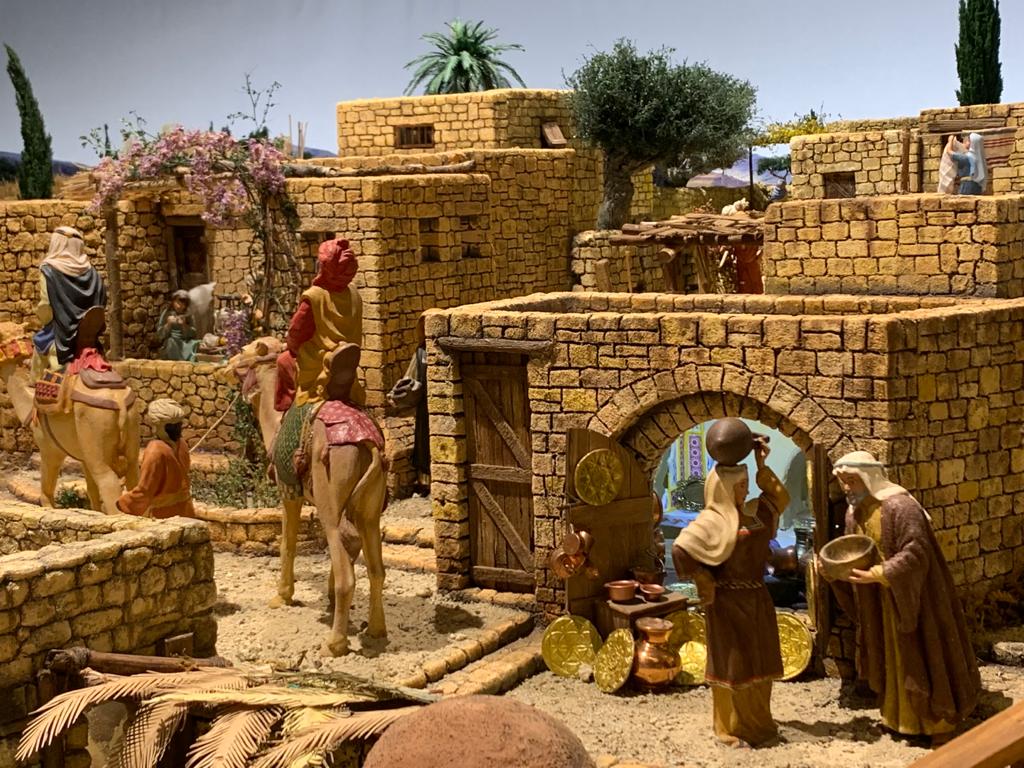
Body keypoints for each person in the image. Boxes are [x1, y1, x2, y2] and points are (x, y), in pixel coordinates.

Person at [820, 451, 980, 747]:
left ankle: (938, 721)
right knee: (891, 657)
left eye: (852, 480)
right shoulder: (854, 512)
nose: (847, 488)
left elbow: (917, 550)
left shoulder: (900, 506)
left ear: (869, 478)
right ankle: (899, 718)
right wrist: (834, 571)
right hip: (880, 600)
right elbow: (856, 549)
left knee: (922, 652)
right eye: (844, 482)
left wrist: (883, 572)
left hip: (915, 597)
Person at [671, 438, 789, 747]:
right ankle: (729, 728)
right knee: (733, 666)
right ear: (723, 489)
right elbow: (681, 548)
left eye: (747, 485)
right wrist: (702, 578)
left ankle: (759, 725)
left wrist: (762, 466)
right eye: (740, 487)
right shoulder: (711, 523)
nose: (746, 492)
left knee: (761, 662)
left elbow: (780, 497)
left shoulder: (755, 515)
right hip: (726, 604)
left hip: (757, 599)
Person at [274, 238, 363, 412]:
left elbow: (297, 332)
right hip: (346, 359)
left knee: (283, 361)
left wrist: (291, 346)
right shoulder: (353, 292)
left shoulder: (314, 297)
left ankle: (289, 411)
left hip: (318, 362)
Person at [31, 226, 106, 377]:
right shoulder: (94, 274)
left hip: (61, 337)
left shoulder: (49, 271)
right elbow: (101, 305)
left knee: (40, 342)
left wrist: (43, 319)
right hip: (89, 338)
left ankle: (35, 384)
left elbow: (45, 307)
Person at [117, 398, 195, 519]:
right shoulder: (182, 444)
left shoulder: (155, 450)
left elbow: (145, 489)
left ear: (157, 425)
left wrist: (123, 502)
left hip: (164, 514)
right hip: (186, 510)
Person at [388, 315, 429, 495]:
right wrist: (399, 393)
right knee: (423, 442)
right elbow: (411, 375)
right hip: (424, 406)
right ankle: (425, 480)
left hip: (438, 403)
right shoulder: (421, 352)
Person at [157, 290, 199, 362]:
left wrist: (184, 325)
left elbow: (193, 333)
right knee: (170, 342)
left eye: (182, 304)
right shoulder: (166, 313)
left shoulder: (188, 314)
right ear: (173, 302)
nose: (179, 306)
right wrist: (168, 324)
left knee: (194, 344)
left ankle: (185, 360)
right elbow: (160, 335)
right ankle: (181, 361)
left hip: (184, 343)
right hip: (172, 342)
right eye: (177, 303)